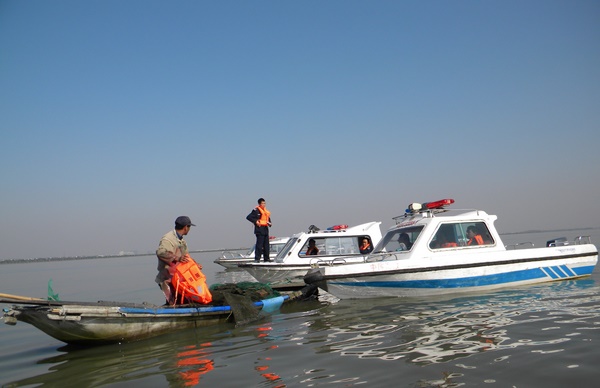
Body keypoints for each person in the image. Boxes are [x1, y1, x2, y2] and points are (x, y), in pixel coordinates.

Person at [155, 216, 195, 304]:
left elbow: (186, 257)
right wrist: (177, 258)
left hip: (177, 279)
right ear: (185, 227)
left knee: (182, 301)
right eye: (189, 227)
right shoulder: (168, 239)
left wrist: (195, 264)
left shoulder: (181, 240)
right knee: (172, 303)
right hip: (167, 279)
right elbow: (161, 252)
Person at [246, 198, 272, 262]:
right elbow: (248, 217)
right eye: (263, 203)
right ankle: (257, 259)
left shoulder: (265, 211)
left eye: (264, 203)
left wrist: (270, 223)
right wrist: (255, 221)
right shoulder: (256, 210)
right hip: (259, 229)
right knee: (259, 245)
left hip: (265, 229)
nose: (264, 204)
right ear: (259, 204)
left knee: (266, 245)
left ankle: (267, 259)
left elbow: (268, 219)